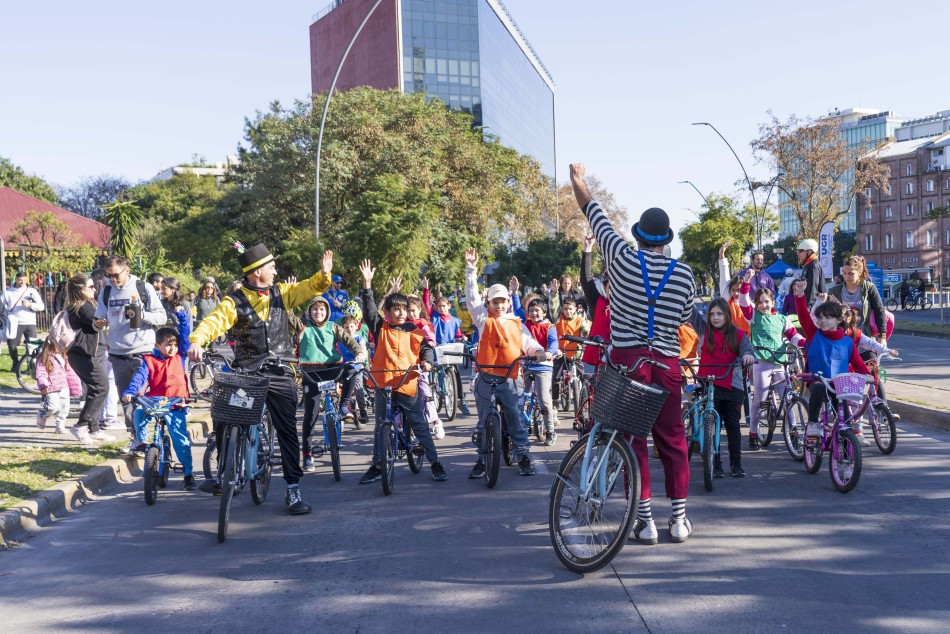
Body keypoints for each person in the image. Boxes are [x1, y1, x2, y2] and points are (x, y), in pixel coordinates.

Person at [571, 163, 695, 544]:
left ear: (639, 236)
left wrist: (579, 182)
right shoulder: (684, 274)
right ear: (665, 240)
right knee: (673, 440)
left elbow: (595, 213)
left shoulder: (622, 259)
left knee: (632, 440)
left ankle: (645, 522)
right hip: (668, 364)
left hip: (628, 365)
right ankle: (679, 520)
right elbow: (685, 316)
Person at [189, 244, 335, 515]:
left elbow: (308, 288)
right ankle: (225, 472)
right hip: (247, 373)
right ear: (257, 273)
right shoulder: (234, 301)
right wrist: (197, 340)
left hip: (280, 371)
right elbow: (213, 322)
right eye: (271, 267)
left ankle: (293, 489)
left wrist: (323, 276)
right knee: (224, 416)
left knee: (287, 431)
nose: (276, 271)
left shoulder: (282, 293)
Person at [356, 259, 447, 484]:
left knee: (418, 423)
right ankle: (377, 465)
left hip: (407, 383)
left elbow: (426, 349)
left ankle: (435, 463)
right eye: (396, 308)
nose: (401, 312)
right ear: (387, 311)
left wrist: (426, 362)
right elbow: (369, 312)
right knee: (380, 426)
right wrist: (367, 286)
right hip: (383, 383)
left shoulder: (414, 330)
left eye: (404, 309)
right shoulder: (380, 327)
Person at [463, 248, 546, 478]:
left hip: (510, 378)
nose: (499, 306)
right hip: (485, 377)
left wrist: (539, 351)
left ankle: (523, 457)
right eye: (495, 302)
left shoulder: (517, 323)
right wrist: (471, 271)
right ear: (488, 304)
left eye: (502, 302)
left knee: (516, 421)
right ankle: (481, 459)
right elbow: (471, 299)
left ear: (508, 303)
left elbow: (528, 343)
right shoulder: (482, 319)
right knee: (482, 423)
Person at [97, 256, 167, 444]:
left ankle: (144, 437)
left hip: (142, 353)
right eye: (109, 275)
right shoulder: (107, 290)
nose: (112, 279)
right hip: (118, 353)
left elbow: (162, 317)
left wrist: (142, 315)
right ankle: (136, 438)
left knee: (140, 398)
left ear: (126, 270)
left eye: (115, 275)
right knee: (127, 400)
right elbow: (98, 319)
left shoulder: (143, 288)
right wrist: (99, 323)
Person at [121, 327, 196, 490]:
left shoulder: (180, 356)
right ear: (157, 345)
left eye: (175, 345)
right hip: (155, 401)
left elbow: (185, 336)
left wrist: (182, 316)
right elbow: (139, 378)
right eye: (168, 345)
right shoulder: (148, 361)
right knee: (139, 412)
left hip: (176, 403)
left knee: (180, 439)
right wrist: (130, 392)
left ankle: (188, 474)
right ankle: (140, 442)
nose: (173, 348)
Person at [793, 280, 870, 437]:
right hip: (817, 380)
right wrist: (800, 296)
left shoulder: (847, 342)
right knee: (820, 388)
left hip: (838, 384)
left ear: (839, 320)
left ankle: (848, 448)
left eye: (828, 317)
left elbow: (857, 361)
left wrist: (867, 375)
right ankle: (813, 424)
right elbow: (803, 317)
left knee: (844, 418)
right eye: (820, 317)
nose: (823, 321)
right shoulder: (814, 334)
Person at [737, 272, 804, 450]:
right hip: (761, 364)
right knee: (760, 399)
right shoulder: (753, 317)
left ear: (773, 302)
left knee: (787, 397)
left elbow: (793, 335)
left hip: (780, 363)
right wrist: (745, 283)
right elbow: (743, 302)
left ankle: (794, 432)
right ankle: (753, 433)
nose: (763, 305)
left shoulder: (782, 319)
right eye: (759, 302)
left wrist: (804, 343)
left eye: (767, 301)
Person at [298, 296, 364, 474]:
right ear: (310, 311)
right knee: (310, 416)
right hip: (311, 374)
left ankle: (343, 406)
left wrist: (358, 352)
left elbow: (349, 341)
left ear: (327, 312)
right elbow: (287, 315)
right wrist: (290, 296)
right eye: (314, 309)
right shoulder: (303, 326)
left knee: (352, 370)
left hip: (331, 369)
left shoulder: (334, 327)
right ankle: (307, 454)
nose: (318, 312)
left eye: (321, 309)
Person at [699, 298, 755, 478]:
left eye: (719, 314)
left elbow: (748, 349)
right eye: (712, 314)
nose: (715, 317)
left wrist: (747, 356)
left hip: (733, 386)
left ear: (727, 315)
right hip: (710, 385)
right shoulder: (704, 330)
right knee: (712, 427)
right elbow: (690, 313)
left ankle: (736, 464)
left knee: (732, 426)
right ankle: (714, 464)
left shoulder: (737, 334)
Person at [65, 274, 113, 444]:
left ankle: (94, 429)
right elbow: (100, 320)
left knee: (96, 389)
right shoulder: (81, 307)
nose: (94, 289)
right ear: (80, 289)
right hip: (84, 355)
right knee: (101, 388)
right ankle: (80, 425)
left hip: (92, 354)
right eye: (91, 287)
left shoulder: (89, 304)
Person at [520, 297, 558, 445]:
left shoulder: (549, 327)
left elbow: (554, 342)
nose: (534, 313)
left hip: (543, 366)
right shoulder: (525, 325)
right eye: (531, 311)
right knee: (519, 396)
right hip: (526, 364)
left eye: (537, 311)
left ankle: (550, 430)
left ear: (544, 312)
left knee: (543, 398)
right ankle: (520, 426)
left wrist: (549, 352)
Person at [431, 295, 472, 415]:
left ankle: (460, 400)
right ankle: (432, 395)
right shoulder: (434, 318)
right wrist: (426, 291)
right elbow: (427, 307)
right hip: (437, 348)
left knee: (456, 372)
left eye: (444, 306)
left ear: (449, 306)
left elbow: (457, 333)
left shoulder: (454, 320)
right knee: (434, 371)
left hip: (450, 349)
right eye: (439, 306)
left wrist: (462, 337)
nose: (441, 309)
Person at [34, 336, 83, 435]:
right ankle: (42, 415)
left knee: (65, 408)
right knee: (53, 407)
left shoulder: (64, 356)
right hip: (51, 387)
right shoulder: (44, 357)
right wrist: (44, 385)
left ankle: (60, 426)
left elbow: (69, 371)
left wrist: (74, 385)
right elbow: (41, 373)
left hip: (64, 387)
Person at [3, 271, 45, 367]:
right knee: (12, 345)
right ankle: (15, 362)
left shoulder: (32, 291)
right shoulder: (8, 292)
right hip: (15, 323)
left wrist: (30, 304)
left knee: (32, 345)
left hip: (30, 322)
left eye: (24, 280)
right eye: (20, 280)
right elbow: (2, 306)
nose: (22, 282)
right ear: (16, 279)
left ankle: (30, 364)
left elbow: (42, 306)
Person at [717, 242, 751, 335]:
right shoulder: (727, 298)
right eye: (733, 290)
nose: (736, 293)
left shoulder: (750, 304)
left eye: (739, 290)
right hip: (729, 340)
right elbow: (724, 272)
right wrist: (722, 254)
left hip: (746, 341)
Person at [159, 276, 191, 360]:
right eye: (160, 288)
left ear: (173, 289)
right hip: (164, 343)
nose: (161, 291)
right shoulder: (161, 303)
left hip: (179, 343)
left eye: (164, 288)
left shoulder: (184, 304)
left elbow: (188, 325)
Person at [796, 238, 825, 308]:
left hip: (813, 308)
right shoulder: (809, 264)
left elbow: (812, 290)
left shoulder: (813, 265)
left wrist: (808, 308)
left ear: (809, 251)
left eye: (800, 251)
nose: (798, 254)